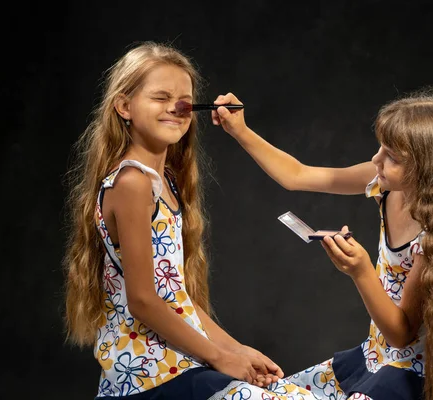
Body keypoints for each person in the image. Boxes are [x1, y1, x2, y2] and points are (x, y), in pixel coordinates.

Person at [62, 41, 326, 399]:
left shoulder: (165, 183)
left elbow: (177, 298)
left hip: (177, 363)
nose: (175, 108)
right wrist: (220, 358)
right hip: (149, 375)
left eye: (184, 101)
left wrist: (237, 351)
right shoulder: (132, 183)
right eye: (160, 97)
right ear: (124, 106)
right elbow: (143, 300)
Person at [212, 88, 433, 400]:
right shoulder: (386, 186)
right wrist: (240, 130)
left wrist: (361, 270)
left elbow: (401, 333)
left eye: (391, 156)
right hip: (375, 359)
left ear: (429, 168)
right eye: (380, 147)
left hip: (411, 377)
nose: (375, 159)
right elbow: (297, 175)